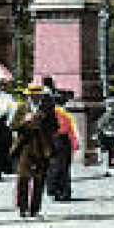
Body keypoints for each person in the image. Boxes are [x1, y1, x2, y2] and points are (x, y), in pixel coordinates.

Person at [9, 83, 59, 219]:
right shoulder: (22, 108)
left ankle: (35, 210)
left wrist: (44, 121)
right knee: (23, 178)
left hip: (42, 147)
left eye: (38, 95)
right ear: (29, 96)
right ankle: (23, 208)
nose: (36, 97)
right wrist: (24, 121)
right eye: (33, 95)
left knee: (39, 179)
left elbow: (56, 127)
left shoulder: (48, 109)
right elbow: (13, 126)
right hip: (25, 146)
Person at [48, 98, 81, 202]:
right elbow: (73, 130)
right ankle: (63, 191)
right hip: (62, 140)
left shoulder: (55, 113)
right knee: (64, 168)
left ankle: (56, 190)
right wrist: (75, 143)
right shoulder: (65, 114)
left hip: (56, 140)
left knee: (55, 167)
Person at [93, 98, 114, 175]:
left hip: (113, 137)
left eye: (112, 106)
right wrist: (105, 131)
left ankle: (112, 165)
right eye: (109, 106)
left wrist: (113, 131)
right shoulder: (103, 117)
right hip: (104, 136)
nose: (110, 108)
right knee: (102, 147)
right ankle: (103, 163)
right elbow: (99, 126)